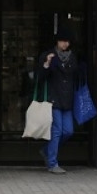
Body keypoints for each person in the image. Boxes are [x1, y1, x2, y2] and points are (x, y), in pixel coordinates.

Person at [38, 26, 80, 174]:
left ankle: (46, 150)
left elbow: (75, 76)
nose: (65, 44)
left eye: (67, 41)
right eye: (62, 41)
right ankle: (52, 163)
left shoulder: (72, 57)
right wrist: (47, 64)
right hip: (53, 98)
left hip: (67, 100)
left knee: (68, 131)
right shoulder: (48, 55)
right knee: (56, 131)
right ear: (57, 41)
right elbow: (40, 77)